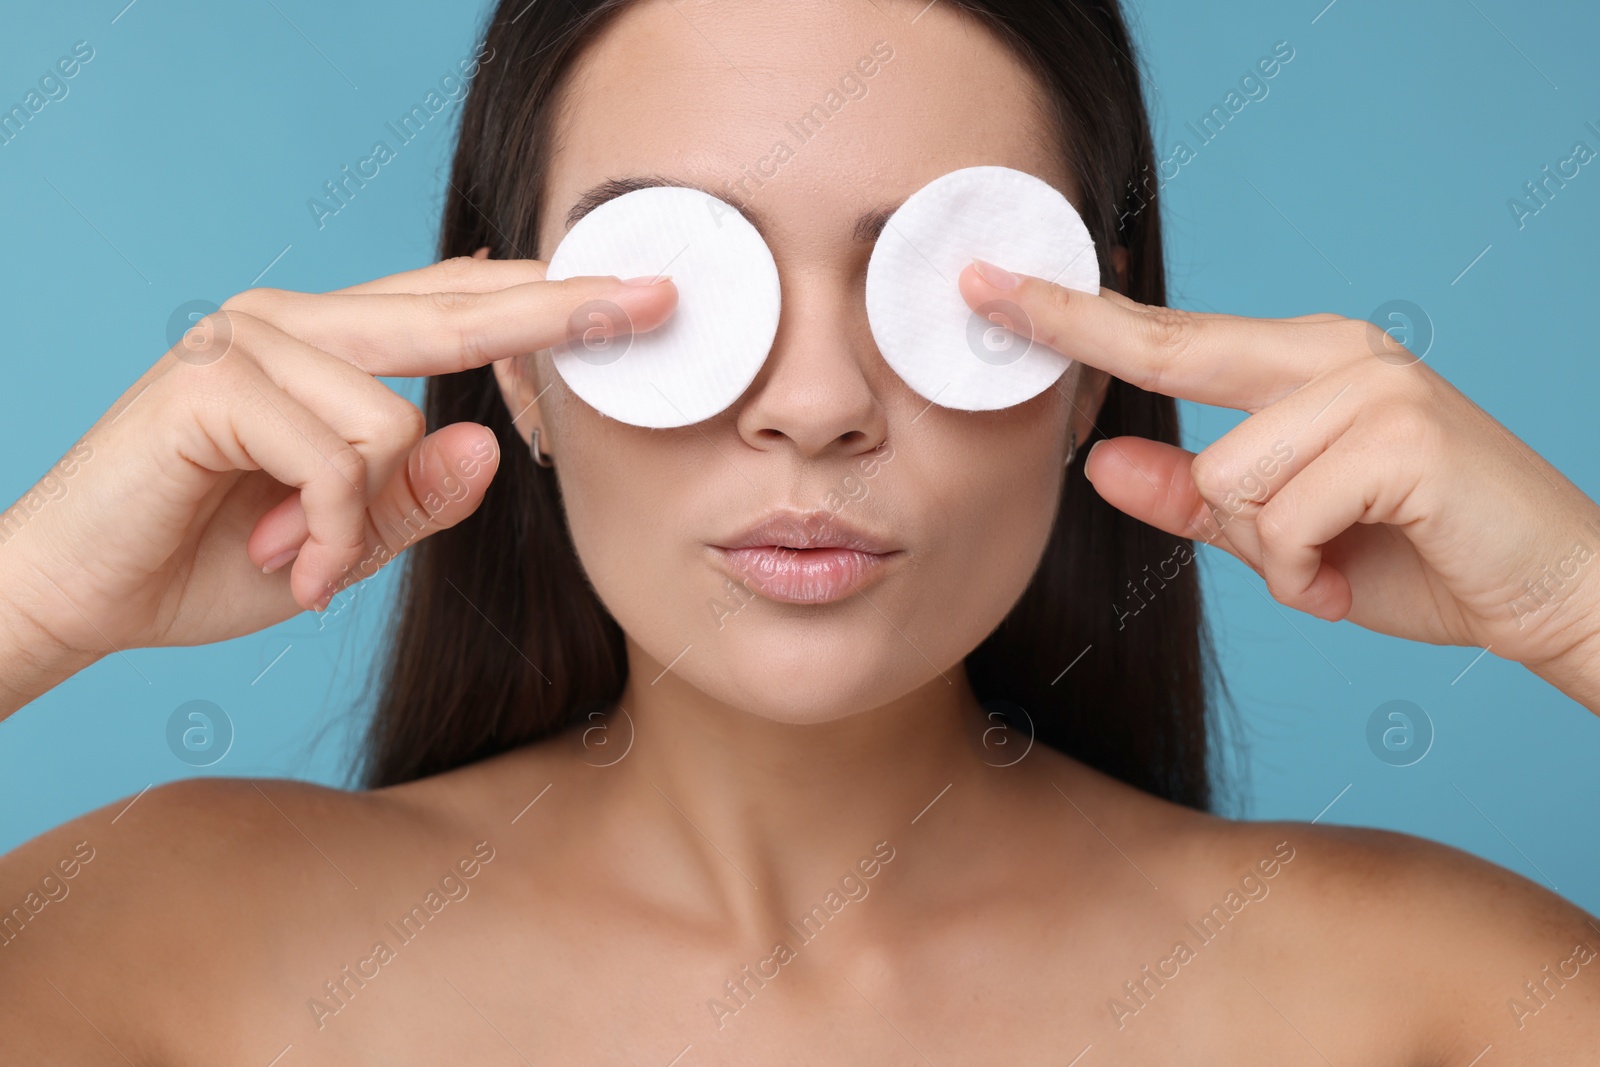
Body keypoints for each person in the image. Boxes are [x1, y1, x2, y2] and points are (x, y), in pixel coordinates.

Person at [3, 0, 1598, 1062]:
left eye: (941, 282)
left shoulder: (1419, 1003)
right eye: (686, 290)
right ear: (515, 369)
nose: (816, 402)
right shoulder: (166, 943)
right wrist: (32, 602)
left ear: (1087, 369)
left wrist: (1585, 610)